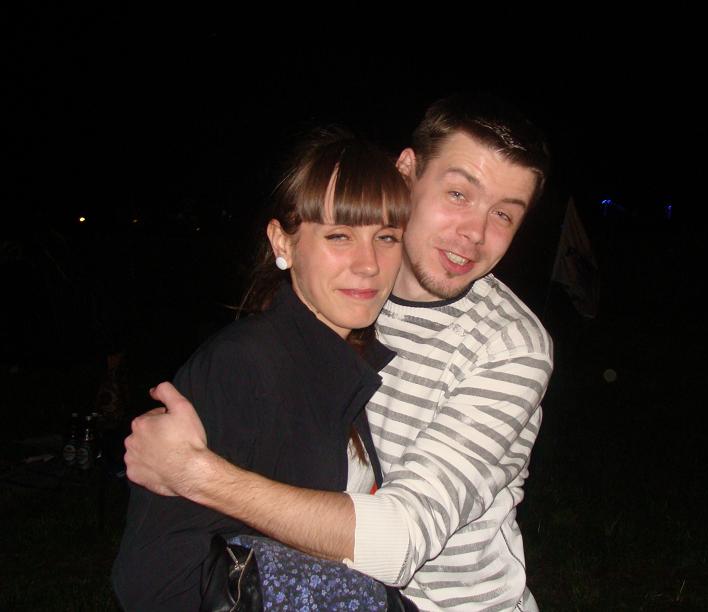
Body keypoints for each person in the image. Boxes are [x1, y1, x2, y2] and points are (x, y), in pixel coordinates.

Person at [125, 93, 554, 611]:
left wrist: (196, 473)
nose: (474, 233)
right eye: (459, 193)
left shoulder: (508, 345)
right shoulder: (338, 306)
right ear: (406, 172)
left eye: (503, 214)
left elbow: (400, 539)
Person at [111, 127, 412, 611]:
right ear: (283, 243)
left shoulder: (352, 359)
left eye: (387, 237)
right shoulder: (243, 368)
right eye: (339, 235)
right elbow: (151, 582)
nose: (369, 264)